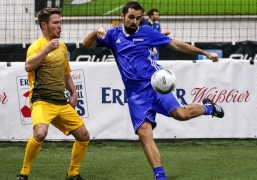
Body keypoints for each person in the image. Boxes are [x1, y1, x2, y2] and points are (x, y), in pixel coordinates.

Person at [83, 1, 224, 180]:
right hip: (135, 95)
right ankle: (160, 176)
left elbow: (176, 45)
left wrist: (205, 53)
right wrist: (97, 31)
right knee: (144, 133)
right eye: (131, 17)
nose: (135, 21)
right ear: (122, 17)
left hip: (155, 85)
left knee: (180, 114)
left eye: (138, 18)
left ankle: (209, 107)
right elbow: (86, 44)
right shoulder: (113, 35)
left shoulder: (147, 32)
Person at [17, 8, 89, 180]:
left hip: (61, 102)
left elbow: (66, 74)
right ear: (44, 25)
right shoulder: (36, 47)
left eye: (60, 22)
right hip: (41, 101)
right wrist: (46, 50)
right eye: (55, 23)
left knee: (84, 136)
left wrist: (74, 93)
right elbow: (28, 66)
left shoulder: (62, 47)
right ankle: (24, 173)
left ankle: (73, 173)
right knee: (40, 133)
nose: (60, 26)